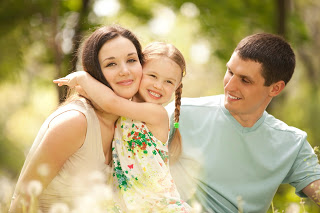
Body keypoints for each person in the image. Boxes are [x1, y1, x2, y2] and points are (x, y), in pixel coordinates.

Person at [165, 33, 320, 212]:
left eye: (245, 80)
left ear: (275, 88)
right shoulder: (181, 114)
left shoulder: (292, 143)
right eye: (230, 71)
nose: (230, 86)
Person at [9, 25, 144, 212]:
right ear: (94, 72)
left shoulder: (128, 125)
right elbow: (22, 199)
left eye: (131, 60)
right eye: (111, 64)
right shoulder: (75, 122)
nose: (125, 71)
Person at [53, 41, 191, 212]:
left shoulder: (156, 114)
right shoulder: (126, 103)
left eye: (169, 82)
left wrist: (82, 77)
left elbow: (109, 102)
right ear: (139, 71)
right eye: (153, 76)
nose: (158, 85)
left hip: (159, 206)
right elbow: (92, 95)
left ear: (177, 86)